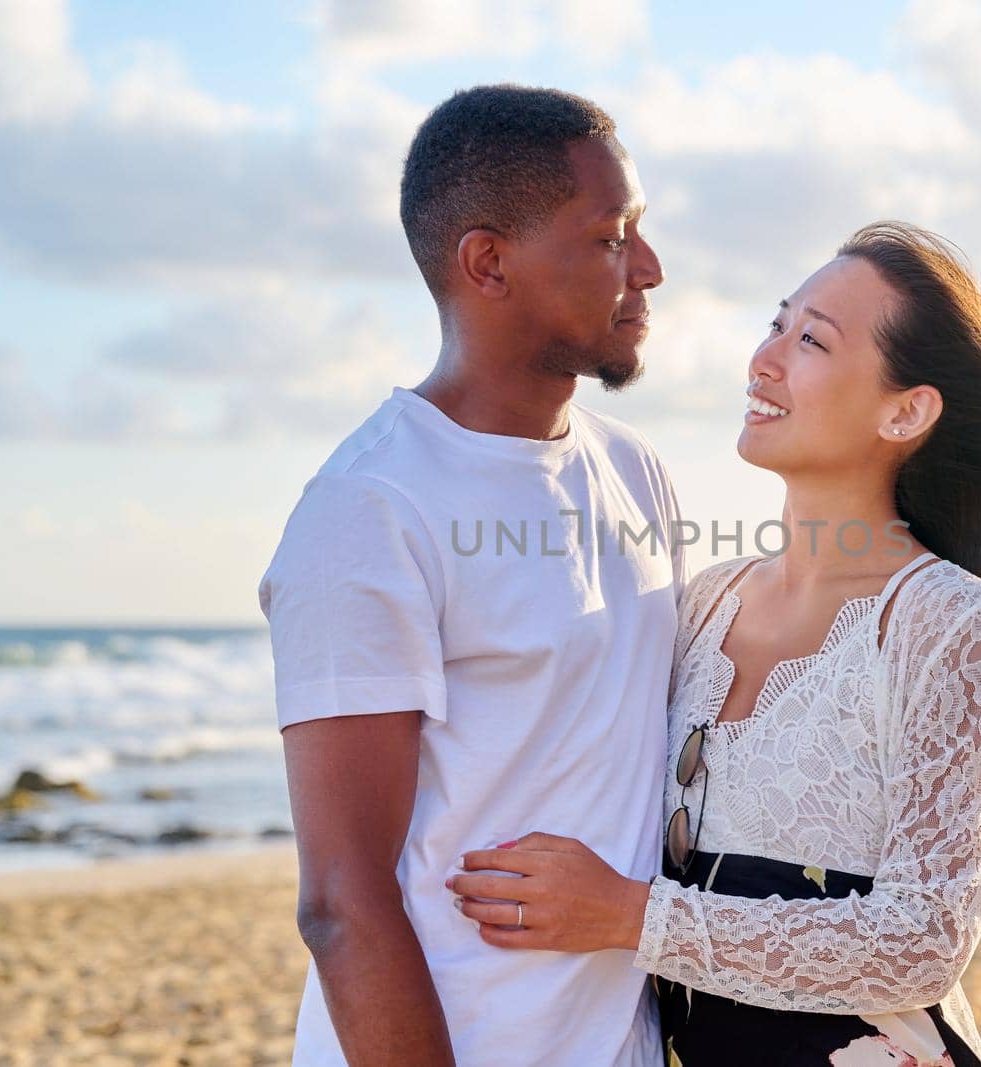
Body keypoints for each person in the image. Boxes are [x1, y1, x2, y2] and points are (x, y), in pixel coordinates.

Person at [448, 222, 981, 1066]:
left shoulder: (944, 620)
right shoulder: (705, 602)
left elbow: (924, 939)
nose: (766, 357)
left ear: (906, 411)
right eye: (776, 323)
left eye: (813, 341)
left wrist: (630, 917)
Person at [258, 85, 680, 1067]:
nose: (649, 269)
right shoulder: (368, 510)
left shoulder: (634, 471)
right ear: (487, 261)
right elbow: (340, 901)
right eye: (611, 236)